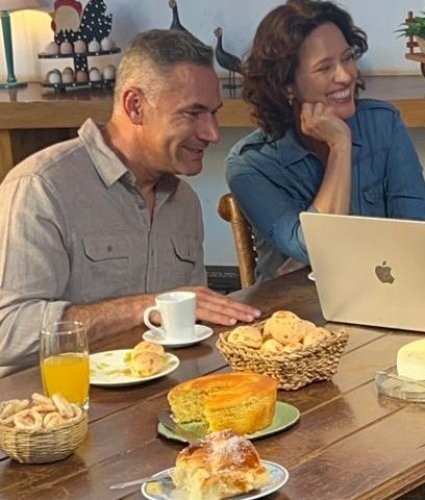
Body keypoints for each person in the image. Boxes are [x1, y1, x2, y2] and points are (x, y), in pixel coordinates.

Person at [0, 29, 261, 376]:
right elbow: (8, 330)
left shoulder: (185, 202)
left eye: (213, 113)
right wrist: (144, 307)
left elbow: (191, 332)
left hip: (162, 397)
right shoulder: (41, 186)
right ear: (135, 106)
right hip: (56, 404)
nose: (212, 133)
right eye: (193, 113)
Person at [226, 0, 425, 282]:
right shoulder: (250, 164)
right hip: (291, 304)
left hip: (378, 292)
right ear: (286, 84)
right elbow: (319, 249)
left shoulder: (384, 124)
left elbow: (417, 233)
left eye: (347, 58)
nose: (346, 76)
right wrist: (340, 146)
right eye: (325, 68)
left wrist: (318, 255)